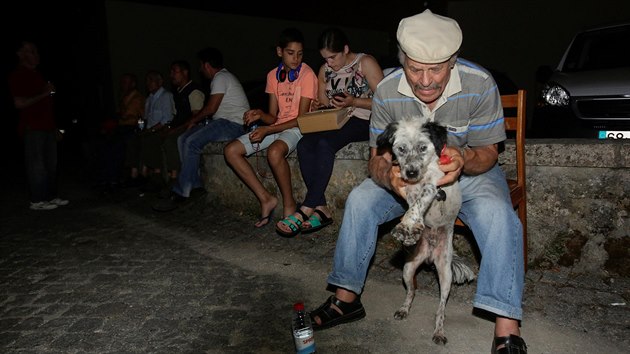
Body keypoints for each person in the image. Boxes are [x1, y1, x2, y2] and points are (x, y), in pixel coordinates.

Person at [308, 10, 527, 353]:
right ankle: (346, 298)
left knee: (499, 214)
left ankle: (506, 328)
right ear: (402, 61)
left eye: (435, 69)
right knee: (360, 200)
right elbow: (377, 157)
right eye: (414, 69)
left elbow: (487, 153)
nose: (425, 80)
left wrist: (464, 159)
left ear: (453, 61)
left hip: (468, 174)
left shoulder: (479, 82)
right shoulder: (386, 91)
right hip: (406, 175)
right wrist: (390, 177)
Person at [275, 27, 384, 237]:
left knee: (326, 144)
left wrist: (354, 101)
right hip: (336, 119)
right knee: (305, 144)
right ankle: (322, 208)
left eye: (333, 57)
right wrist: (319, 106)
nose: (330, 64)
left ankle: (307, 207)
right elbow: (325, 104)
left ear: (345, 49)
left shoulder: (365, 63)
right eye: (325, 59)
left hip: (363, 118)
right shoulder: (325, 70)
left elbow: (386, 101)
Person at [223, 28, 318, 228]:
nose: (296, 58)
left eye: (300, 54)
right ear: (279, 52)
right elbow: (273, 117)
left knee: (274, 153)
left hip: (298, 127)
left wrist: (268, 129)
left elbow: (301, 120)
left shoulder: (308, 75)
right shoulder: (273, 76)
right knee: (231, 151)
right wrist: (259, 114)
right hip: (277, 127)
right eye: (291, 53)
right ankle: (266, 199)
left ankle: (290, 204)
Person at [153, 48, 250, 212]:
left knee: (191, 142)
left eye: (200, 65)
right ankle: (195, 185)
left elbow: (211, 108)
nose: (199, 69)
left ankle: (181, 193)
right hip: (222, 122)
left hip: (233, 124)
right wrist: (194, 123)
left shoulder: (221, 77)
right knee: (182, 138)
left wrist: (193, 120)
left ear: (206, 65)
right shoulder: (221, 78)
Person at [8, 40, 69, 210]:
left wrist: (55, 127)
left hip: (47, 126)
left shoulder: (37, 75)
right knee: (37, 165)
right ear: (20, 54)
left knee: (51, 164)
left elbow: (47, 106)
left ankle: (50, 196)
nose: (36, 54)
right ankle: (37, 200)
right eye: (31, 51)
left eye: (36, 51)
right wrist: (45, 93)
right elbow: (19, 103)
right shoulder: (18, 75)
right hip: (32, 127)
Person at [143, 60, 205, 193]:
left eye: (174, 71)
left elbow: (196, 116)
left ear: (185, 72)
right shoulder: (178, 92)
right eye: (171, 72)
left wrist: (174, 129)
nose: (171, 75)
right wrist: (168, 127)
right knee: (154, 138)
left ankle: (174, 178)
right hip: (180, 125)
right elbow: (176, 116)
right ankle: (156, 176)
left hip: (192, 126)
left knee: (172, 141)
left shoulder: (193, 90)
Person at [132, 70, 175, 192]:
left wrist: (150, 130)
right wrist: (141, 127)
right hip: (150, 129)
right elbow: (145, 118)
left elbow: (167, 119)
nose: (148, 83)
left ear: (160, 82)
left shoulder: (166, 96)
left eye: (151, 80)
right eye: (147, 81)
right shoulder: (149, 99)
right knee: (134, 138)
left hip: (162, 129)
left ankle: (156, 175)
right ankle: (138, 174)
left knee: (150, 139)